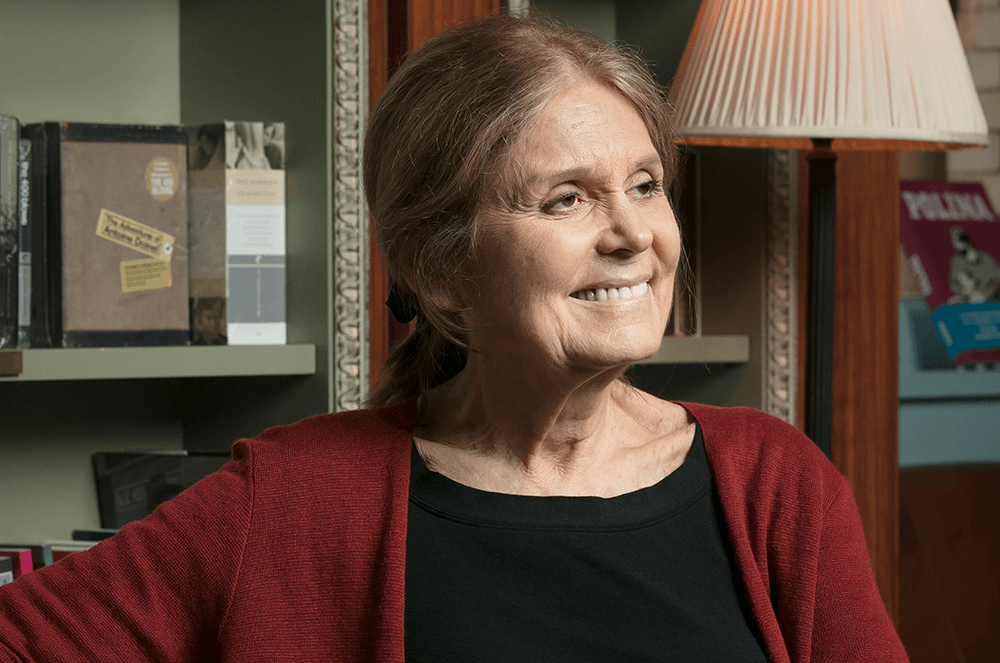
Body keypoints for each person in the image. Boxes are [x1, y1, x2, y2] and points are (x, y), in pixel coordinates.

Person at [0, 14, 908, 662]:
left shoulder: (776, 482)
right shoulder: (289, 499)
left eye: (644, 183)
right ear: (443, 271)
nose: (634, 233)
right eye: (567, 198)